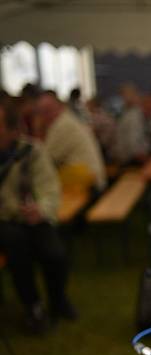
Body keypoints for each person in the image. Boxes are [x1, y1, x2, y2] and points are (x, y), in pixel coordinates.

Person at [0, 101, 76, 333]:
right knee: (16, 246)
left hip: (31, 216)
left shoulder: (32, 151)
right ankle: (33, 306)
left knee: (55, 253)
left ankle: (57, 300)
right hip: (5, 221)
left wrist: (40, 209)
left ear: (13, 130)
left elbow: (50, 188)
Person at [36, 91, 107, 192]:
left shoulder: (61, 126)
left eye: (43, 112)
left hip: (89, 182)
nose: (42, 117)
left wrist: (38, 129)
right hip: (93, 177)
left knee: (44, 186)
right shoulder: (67, 119)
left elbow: (46, 159)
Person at [110, 84, 151, 165]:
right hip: (129, 161)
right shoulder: (134, 115)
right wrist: (150, 162)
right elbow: (134, 149)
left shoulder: (128, 113)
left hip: (126, 157)